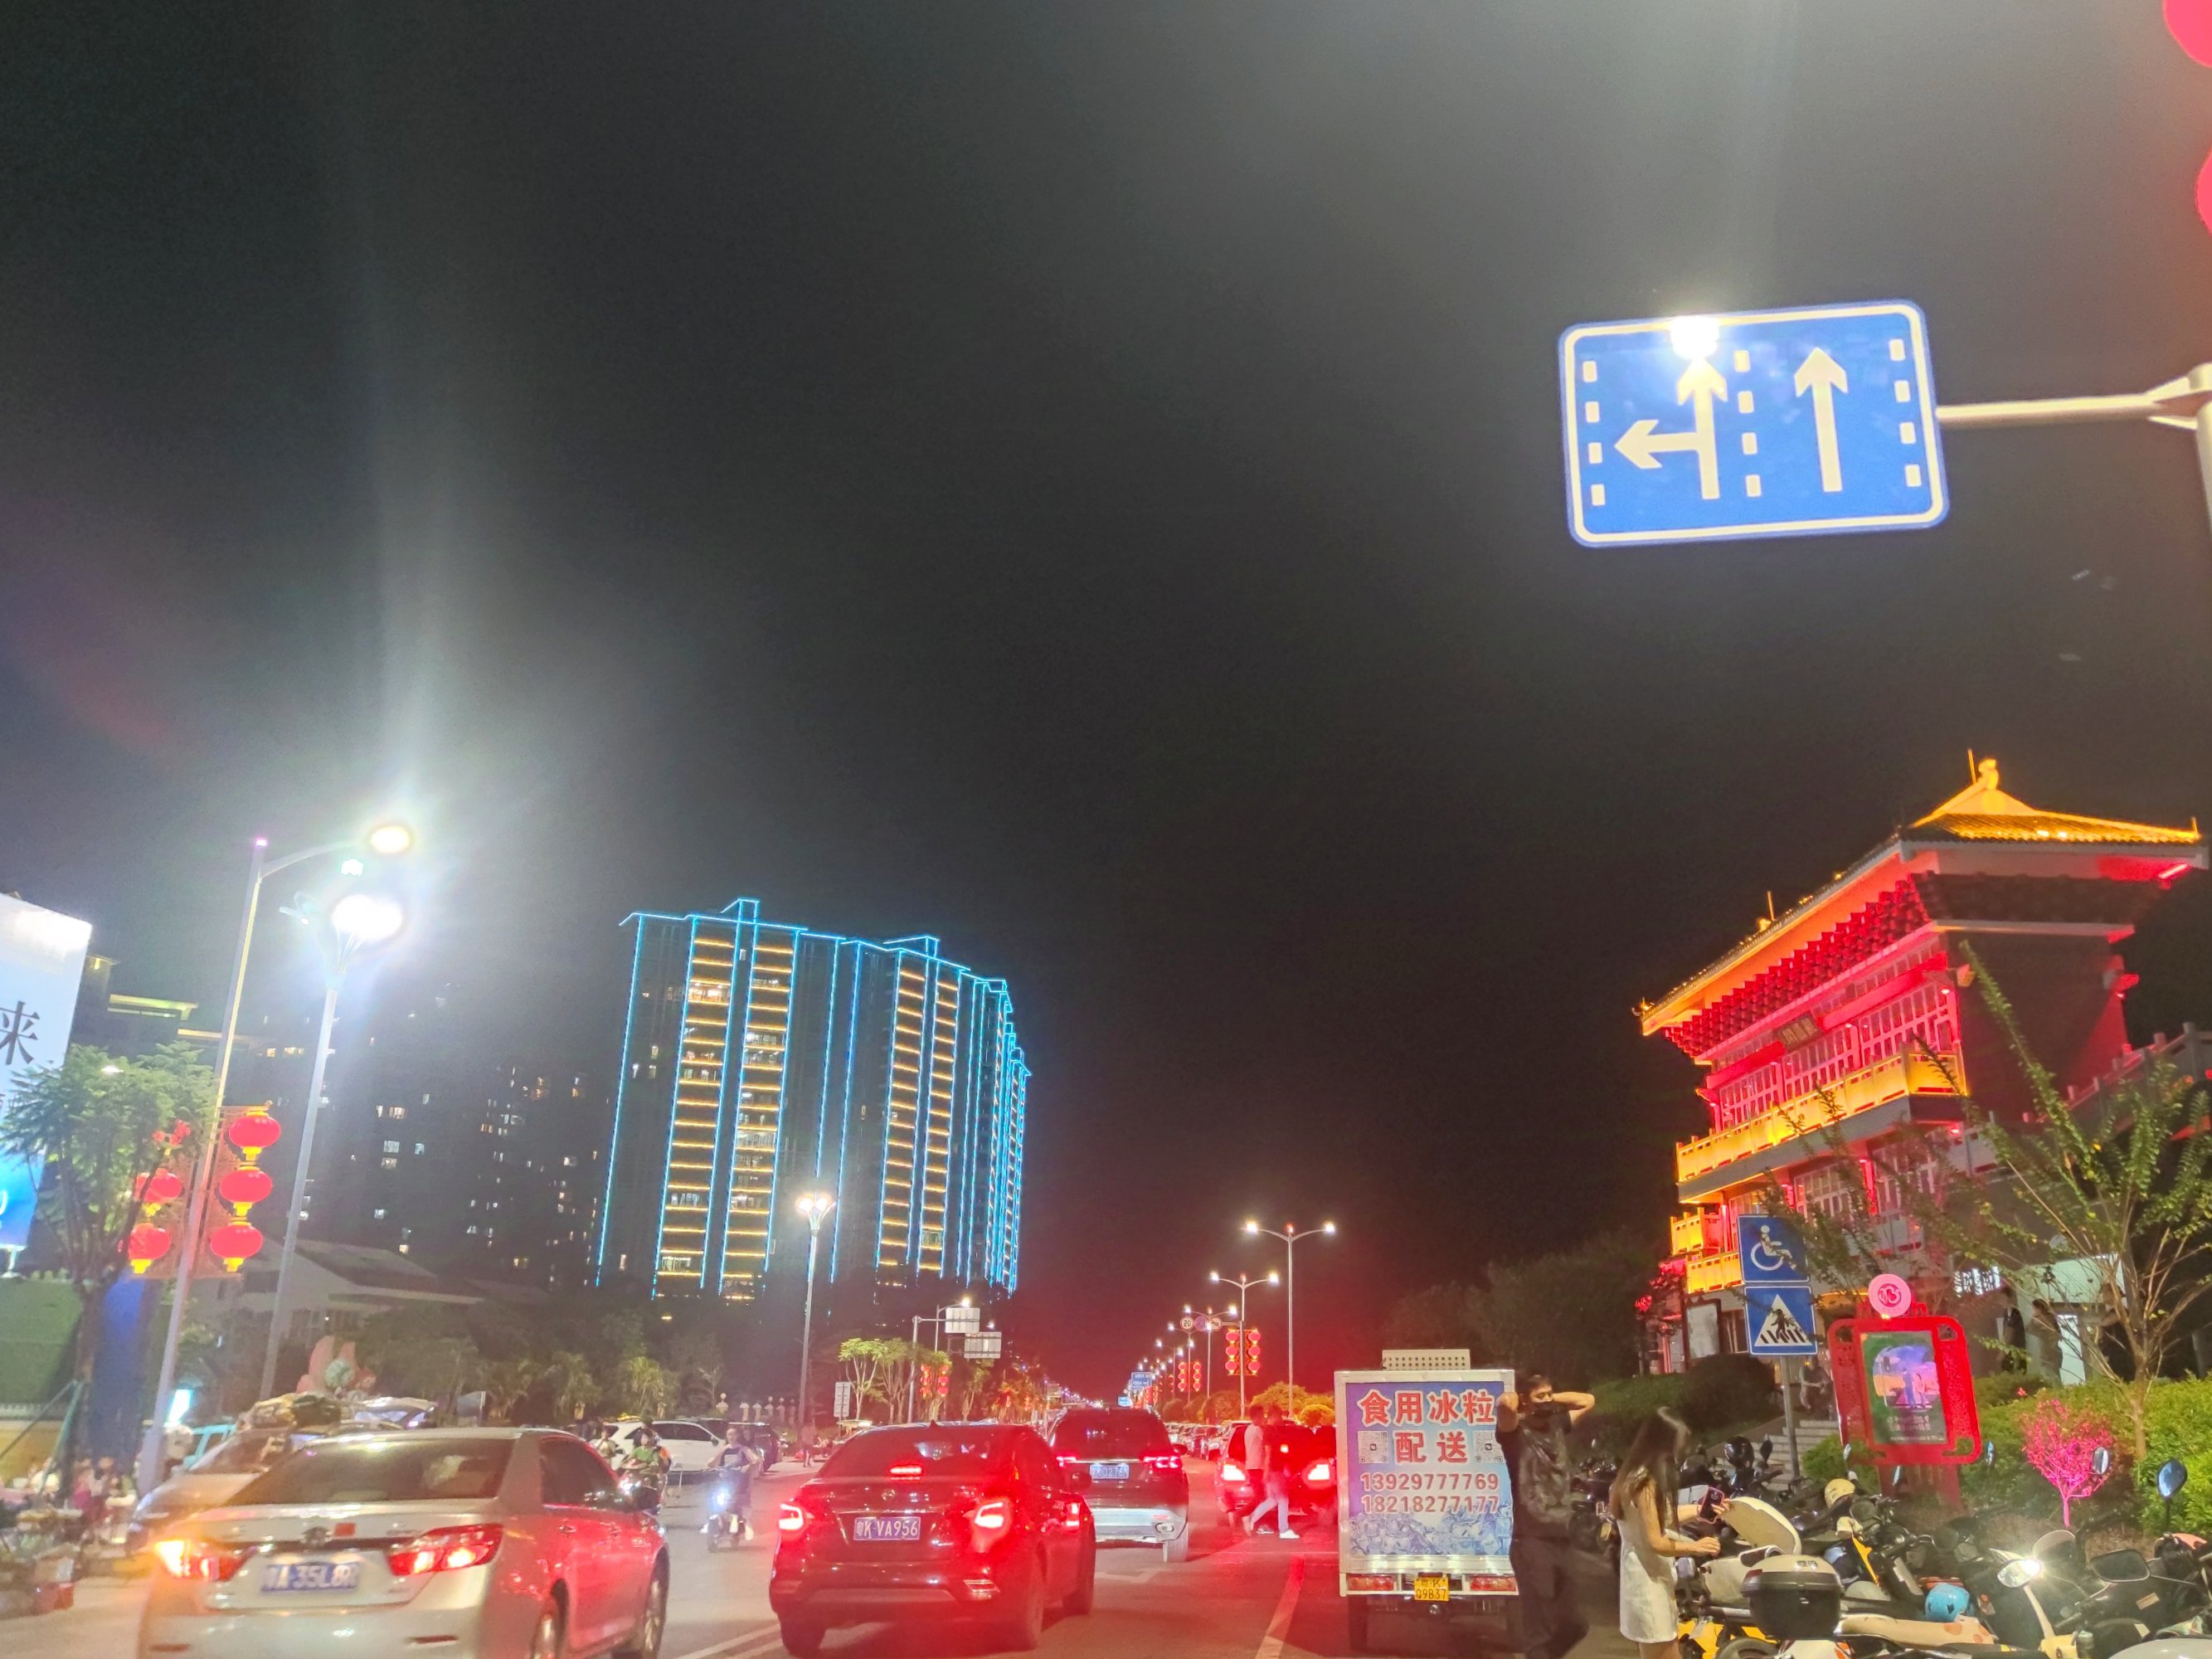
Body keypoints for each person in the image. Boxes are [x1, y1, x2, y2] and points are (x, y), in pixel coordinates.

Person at [1610, 1408, 1722, 1659]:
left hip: (1646, 1581)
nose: (1680, 1451)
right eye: (1677, 1443)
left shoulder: (1635, 1475)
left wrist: (1700, 1509)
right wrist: (1697, 1547)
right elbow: (1656, 1541)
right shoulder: (1645, 1483)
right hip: (1648, 1587)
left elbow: (1660, 1518)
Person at [1499, 1376, 1596, 1659]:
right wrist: (1523, 1402)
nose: (1547, 1400)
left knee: (1575, 1624)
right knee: (1538, 1627)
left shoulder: (1558, 1425)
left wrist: (1550, 1399)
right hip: (1530, 1540)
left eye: (1549, 1394)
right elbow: (1505, 1405)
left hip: (1561, 1537)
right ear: (1526, 1400)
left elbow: (1588, 1401)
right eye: (1539, 1395)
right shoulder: (1514, 1433)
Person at [1243, 1407, 1297, 1540]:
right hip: (1274, 1469)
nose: (1281, 1419)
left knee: (1273, 1500)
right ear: (1274, 1416)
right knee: (1283, 1499)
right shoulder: (1269, 1431)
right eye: (1279, 1416)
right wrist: (1266, 1471)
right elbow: (1268, 1453)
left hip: (1273, 1469)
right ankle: (1284, 1530)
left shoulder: (1269, 1430)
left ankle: (1251, 1518)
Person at [1998, 1289, 2027, 1372]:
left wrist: (2003, 1351)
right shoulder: (2005, 1313)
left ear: (2010, 1298)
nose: (2001, 1301)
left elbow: (2010, 1332)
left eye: (2003, 1298)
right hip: (2010, 1351)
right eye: (2000, 1298)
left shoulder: (2015, 1313)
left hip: (2017, 1350)